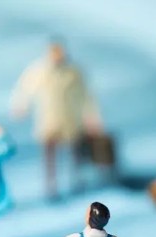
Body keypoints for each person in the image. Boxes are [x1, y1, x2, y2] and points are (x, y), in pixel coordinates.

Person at [11, 37, 103, 201]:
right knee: (49, 153)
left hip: (70, 117)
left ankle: (77, 180)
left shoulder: (74, 71)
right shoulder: (39, 71)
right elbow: (24, 88)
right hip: (48, 117)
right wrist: (20, 105)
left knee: (75, 151)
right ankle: (51, 187)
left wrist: (92, 117)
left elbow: (86, 95)